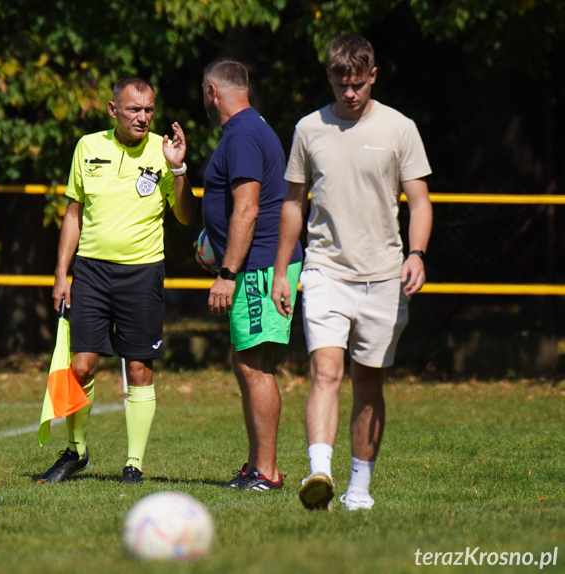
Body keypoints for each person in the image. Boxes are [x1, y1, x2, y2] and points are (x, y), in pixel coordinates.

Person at [272, 35, 433, 510]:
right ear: (330, 78)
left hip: (384, 275)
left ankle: (358, 489)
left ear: (373, 77)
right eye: (342, 84)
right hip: (325, 270)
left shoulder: (400, 128)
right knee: (325, 369)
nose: (350, 94)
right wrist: (284, 271)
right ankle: (318, 473)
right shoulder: (308, 129)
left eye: (358, 84)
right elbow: (292, 205)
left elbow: (420, 200)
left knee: (368, 381)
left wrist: (417, 253)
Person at [40, 77, 197, 484]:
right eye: (133, 110)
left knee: (140, 369)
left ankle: (134, 464)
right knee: (81, 367)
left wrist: (178, 168)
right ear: (114, 110)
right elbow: (73, 214)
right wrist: (62, 273)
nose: (143, 117)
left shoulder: (163, 150)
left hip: (143, 273)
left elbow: (185, 217)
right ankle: (75, 452)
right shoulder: (87, 147)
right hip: (91, 272)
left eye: (148, 110)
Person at [198, 58, 303, 491]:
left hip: (258, 265)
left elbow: (248, 208)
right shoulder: (249, 127)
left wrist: (227, 271)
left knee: (255, 364)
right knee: (248, 361)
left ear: (211, 93)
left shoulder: (241, 135)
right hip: (255, 262)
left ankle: (267, 472)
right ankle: (256, 465)